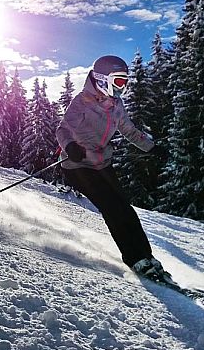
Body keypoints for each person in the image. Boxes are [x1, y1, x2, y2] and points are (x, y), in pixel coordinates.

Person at [56, 55, 168, 280]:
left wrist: (152, 147)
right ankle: (135, 259)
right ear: (101, 79)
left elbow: (129, 130)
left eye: (125, 82)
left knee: (125, 208)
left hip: (101, 162)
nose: (122, 87)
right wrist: (70, 146)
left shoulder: (116, 105)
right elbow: (62, 130)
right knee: (112, 208)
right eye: (118, 81)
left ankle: (147, 257)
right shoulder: (81, 102)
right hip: (78, 165)